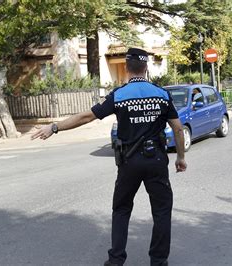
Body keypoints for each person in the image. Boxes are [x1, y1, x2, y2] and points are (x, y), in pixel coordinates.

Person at [31, 48, 187, 266]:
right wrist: (180, 157)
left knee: (121, 210)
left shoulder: (119, 95)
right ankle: (159, 261)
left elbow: (86, 116)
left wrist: (55, 127)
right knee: (161, 211)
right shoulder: (161, 94)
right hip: (156, 161)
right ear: (146, 68)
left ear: (126, 68)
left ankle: (116, 260)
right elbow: (178, 129)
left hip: (129, 162)